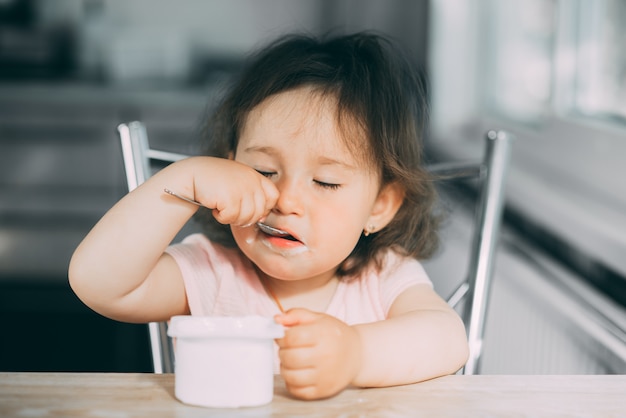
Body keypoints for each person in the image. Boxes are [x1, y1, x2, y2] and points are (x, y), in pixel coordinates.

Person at [69, 32, 469, 400]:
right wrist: (180, 183)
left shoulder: (383, 277)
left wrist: (355, 354)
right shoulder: (212, 272)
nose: (285, 200)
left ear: (379, 206)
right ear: (228, 167)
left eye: (326, 182)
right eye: (263, 172)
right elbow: (99, 283)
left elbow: (449, 341)